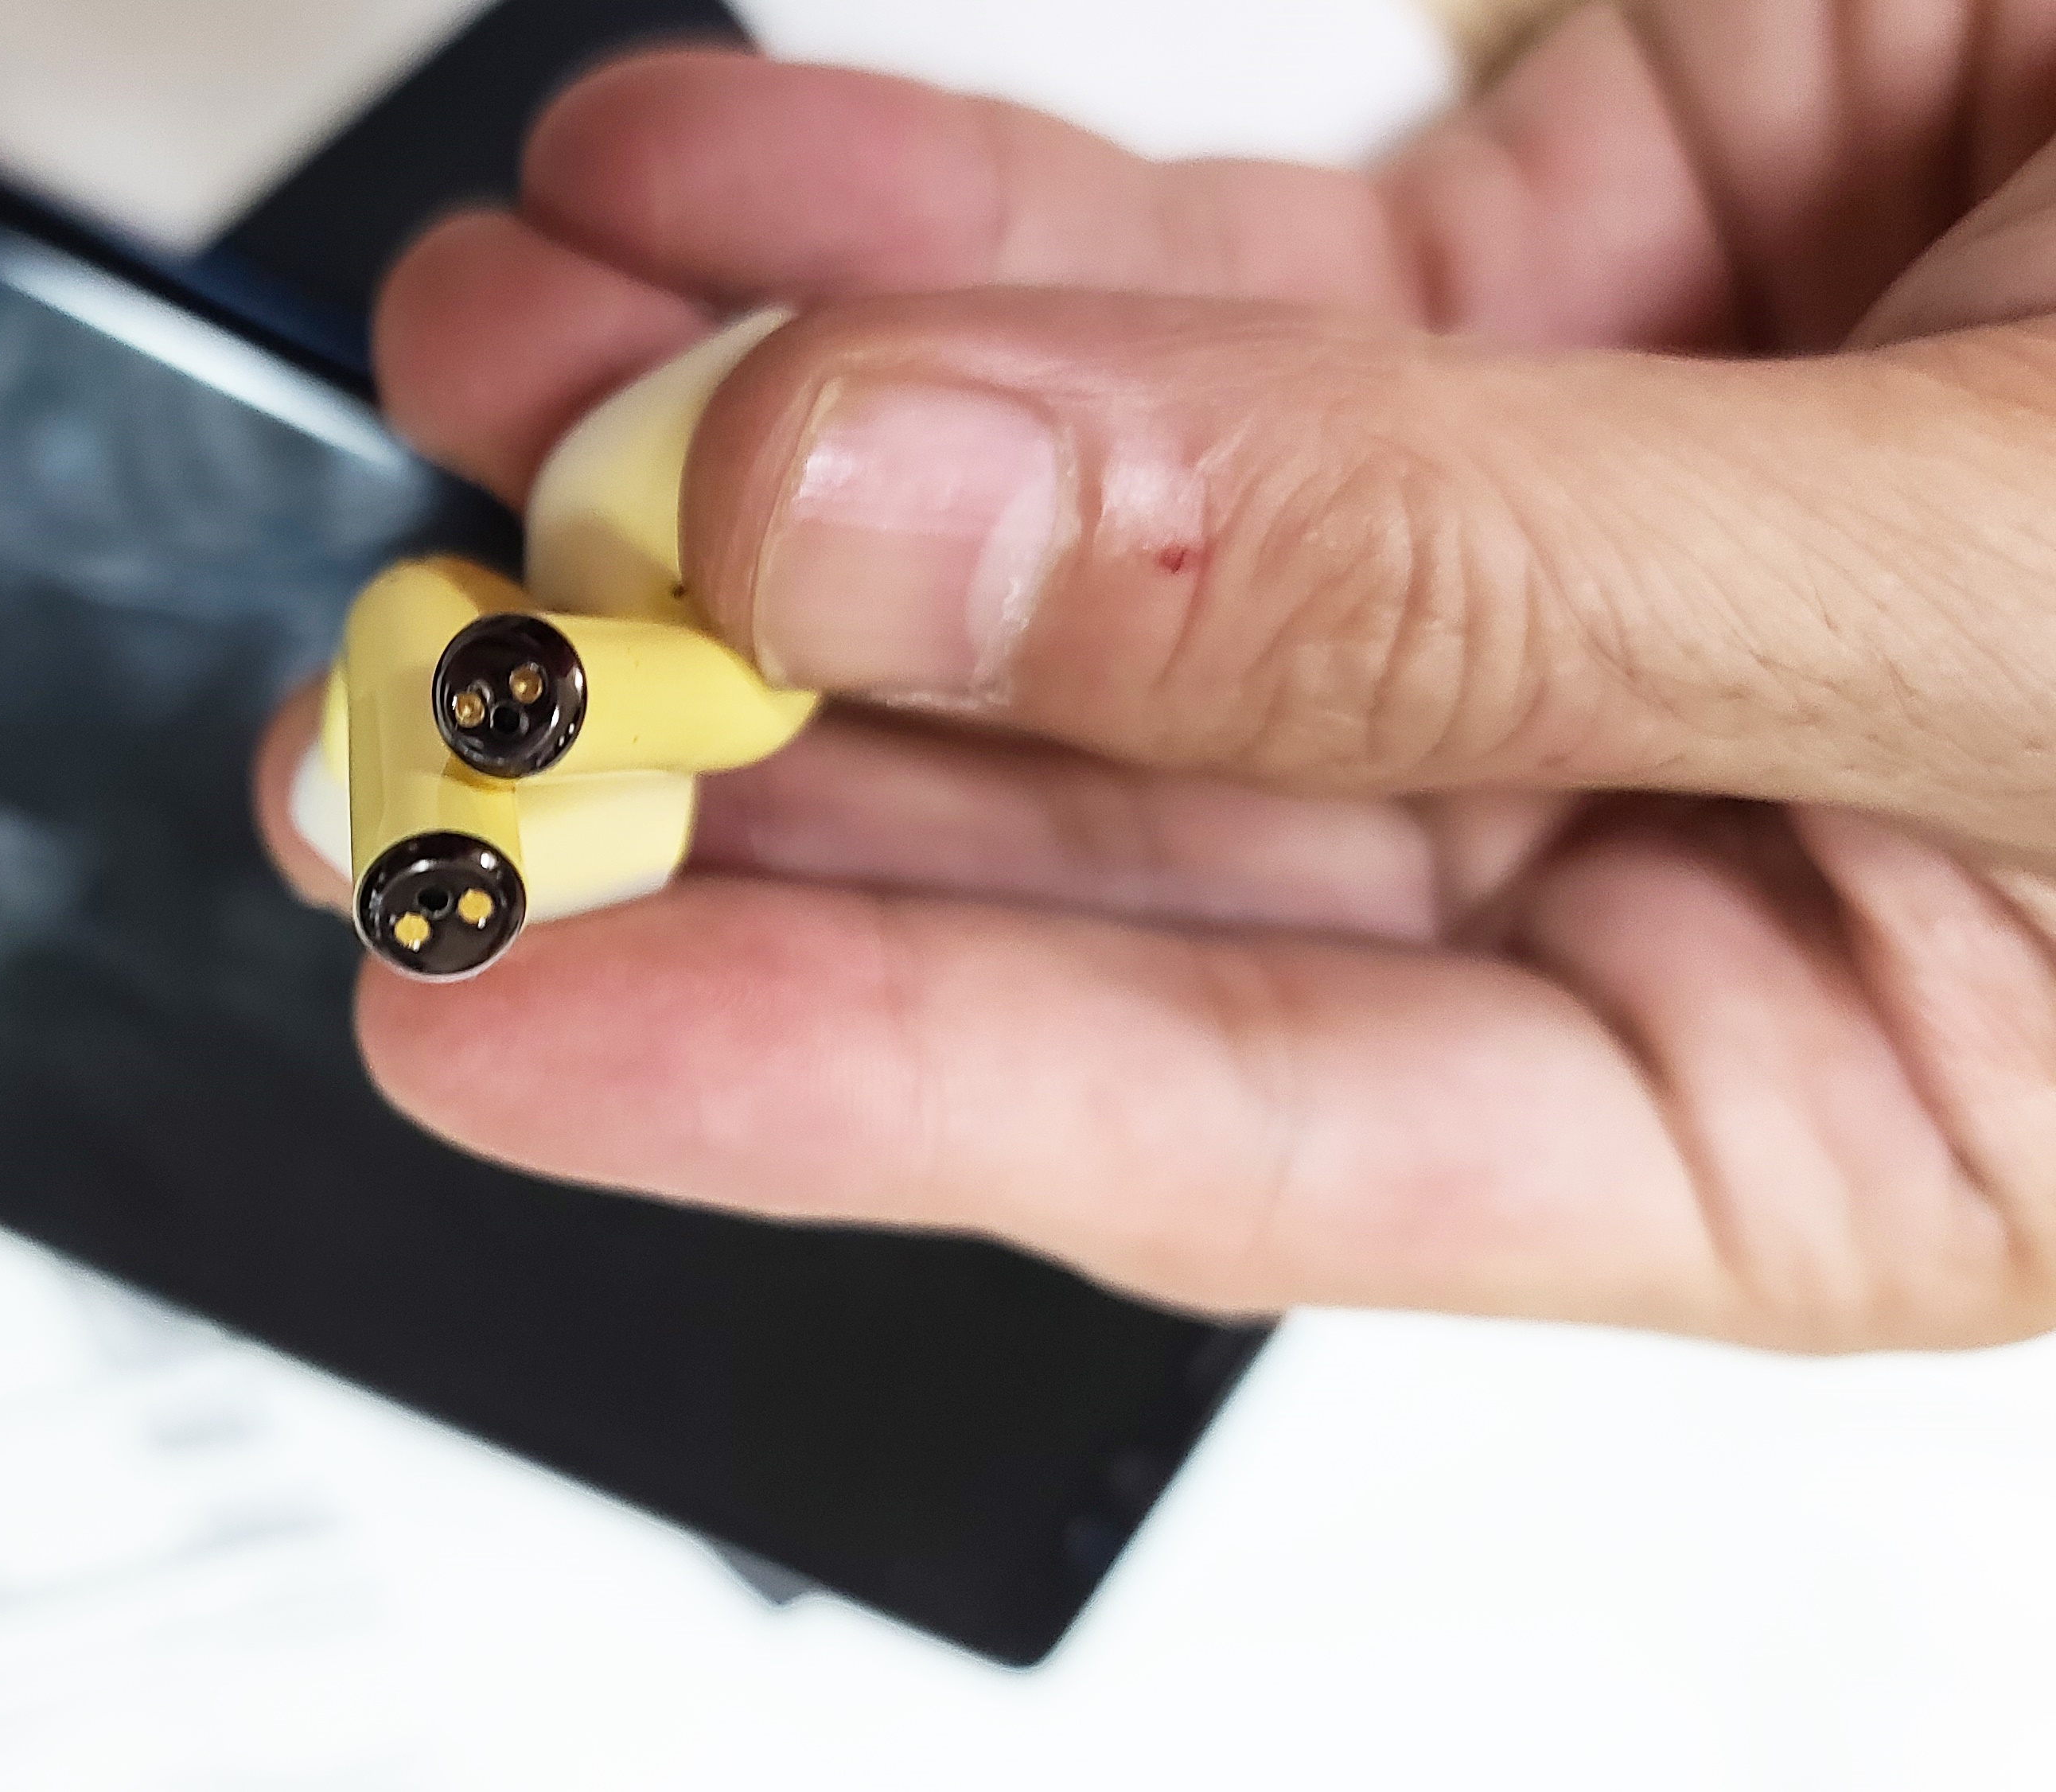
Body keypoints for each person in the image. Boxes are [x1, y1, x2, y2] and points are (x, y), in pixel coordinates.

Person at [253, 0, 2056, 1355]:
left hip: (678, 532)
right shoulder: (609, 673)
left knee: (621, 722)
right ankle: (485, 771)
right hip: (633, 577)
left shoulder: (675, 604)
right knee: (589, 746)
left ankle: (493, 761)